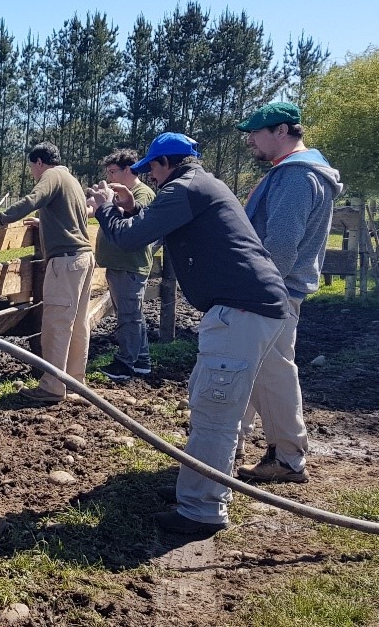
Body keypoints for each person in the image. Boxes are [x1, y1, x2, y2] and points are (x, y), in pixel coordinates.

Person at [91, 132, 291, 536]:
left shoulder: (184, 188)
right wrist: (129, 209)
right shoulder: (199, 186)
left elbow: (129, 238)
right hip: (253, 305)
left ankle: (201, 510)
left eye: (152, 170)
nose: (151, 178)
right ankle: (200, 485)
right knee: (221, 404)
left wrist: (107, 210)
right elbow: (150, 225)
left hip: (239, 308)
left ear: (166, 164)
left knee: (214, 409)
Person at [233, 101, 343, 484]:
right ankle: (234, 442)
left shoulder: (297, 177)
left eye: (255, 133)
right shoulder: (293, 173)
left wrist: (257, 290)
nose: (250, 141)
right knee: (251, 367)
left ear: (282, 131)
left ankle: (288, 457)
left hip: (272, 293)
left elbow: (280, 245)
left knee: (272, 372)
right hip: (274, 290)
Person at [0, 142, 93, 404]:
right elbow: (73, 217)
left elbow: (32, 200)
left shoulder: (51, 176)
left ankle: (51, 386)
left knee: (56, 324)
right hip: (83, 258)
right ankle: (75, 382)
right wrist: (46, 222)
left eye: (31, 168)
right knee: (78, 324)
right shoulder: (70, 179)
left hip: (65, 261)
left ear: (39, 162)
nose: (32, 173)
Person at [90, 149, 157, 382]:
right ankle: (141, 362)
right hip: (121, 264)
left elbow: (133, 224)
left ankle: (125, 363)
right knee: (132, 314)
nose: (110, 178)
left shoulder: (142, 193)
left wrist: (106, 206)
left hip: (130, 264)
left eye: (113, 172)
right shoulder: (125, 192)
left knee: (129, 316)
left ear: (128, 169)